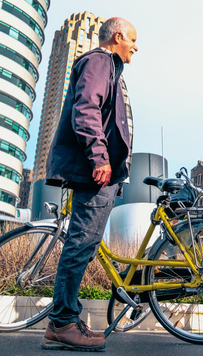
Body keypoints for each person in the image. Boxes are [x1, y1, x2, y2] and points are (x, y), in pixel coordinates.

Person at [40, 18, 138, 352]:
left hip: (103, 174)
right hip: (93, 171)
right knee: (80, 244)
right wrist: (99, 157)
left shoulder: (109, 68)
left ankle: (66, 319)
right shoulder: (99, 61)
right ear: (118, 36)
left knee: (85, 244)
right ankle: (62, 322)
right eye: (133, 40)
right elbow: (86, 109)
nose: (136, 48)